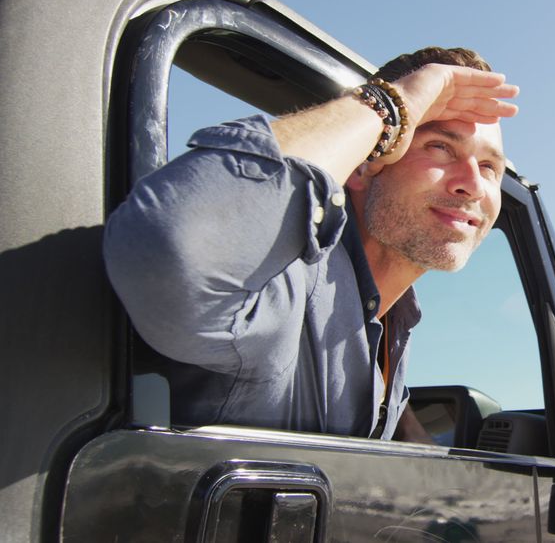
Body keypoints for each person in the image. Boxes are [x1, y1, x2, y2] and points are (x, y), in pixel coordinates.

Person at [104, 47, 518, 442]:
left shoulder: (392, 323)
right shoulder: (285, 280)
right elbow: (172, 254)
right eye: (441, 148)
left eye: (489, 166)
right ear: (364, 164)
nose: (473, 184)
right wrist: (392, 104)